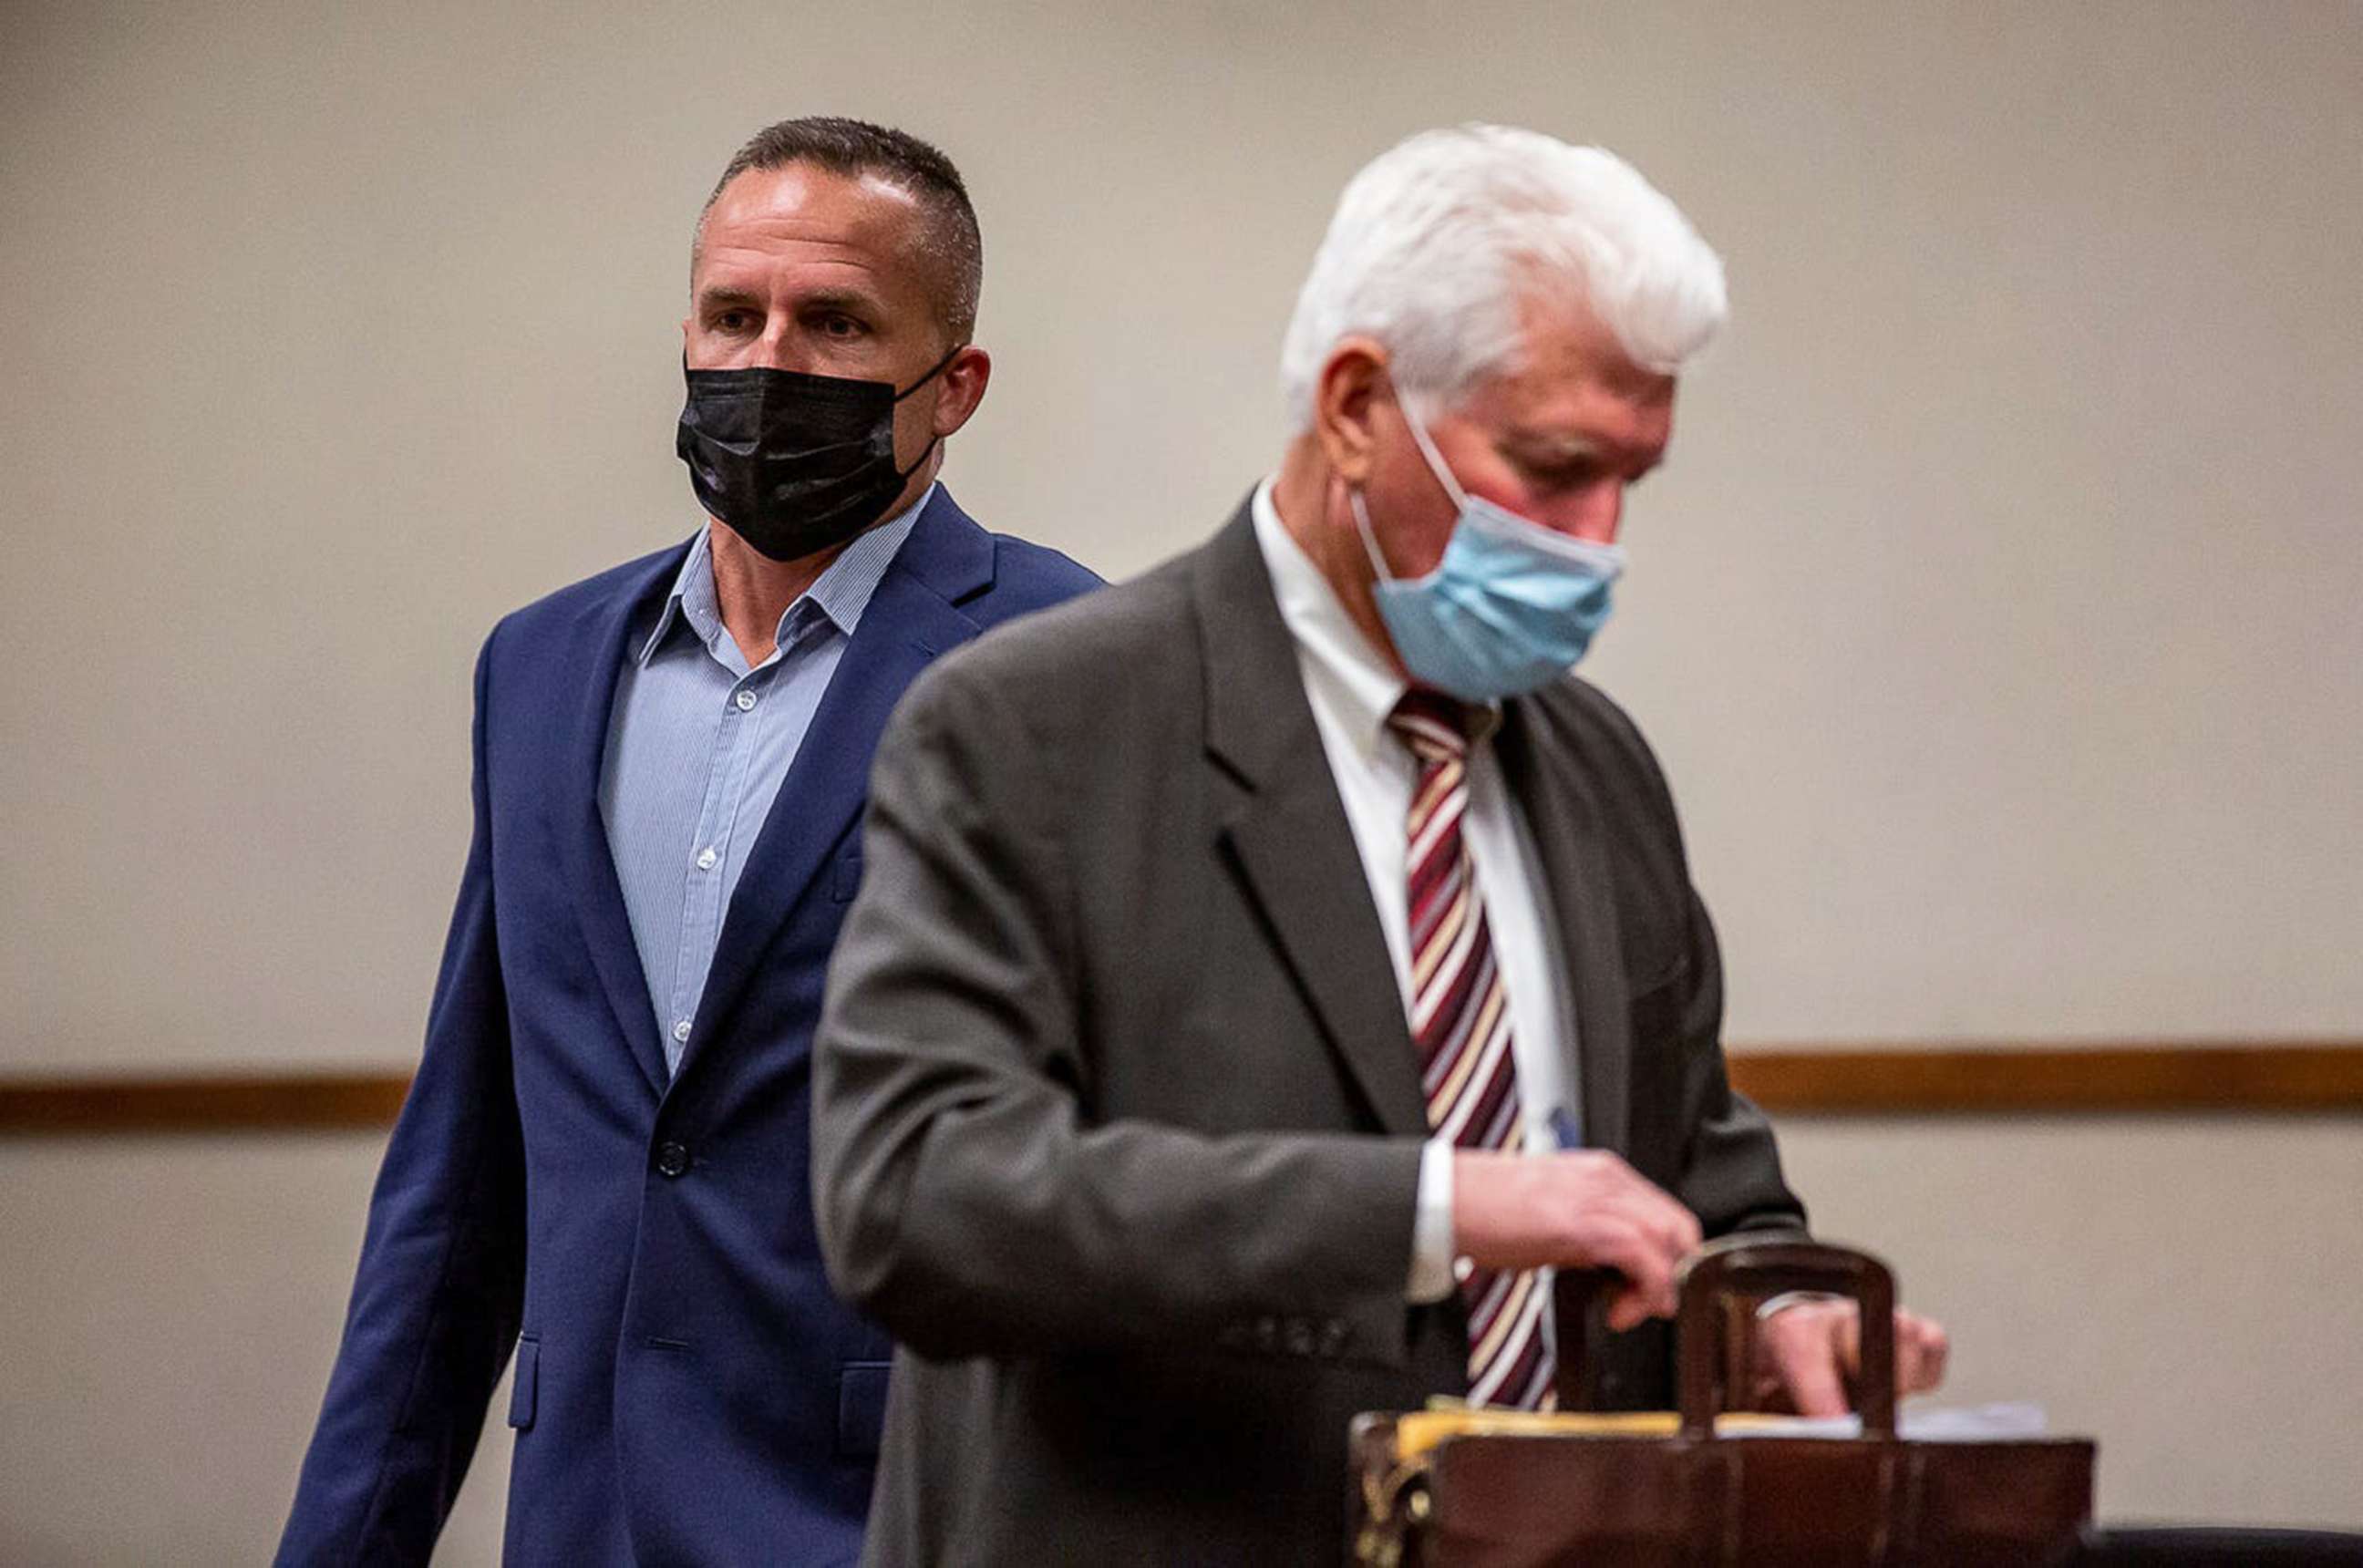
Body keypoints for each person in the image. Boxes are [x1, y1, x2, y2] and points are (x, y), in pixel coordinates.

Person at [811, 124, 1946, 1564]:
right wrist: (1432, 1205)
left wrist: (1774, 1318)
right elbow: (919, 1198)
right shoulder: (1034, 728)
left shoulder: (1596, 772)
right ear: (1356, 403)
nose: (1599, 541)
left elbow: (1701, 1182)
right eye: (1553, 467)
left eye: (1630, 484)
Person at [276, 117, 1099, 1564]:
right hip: (582, 1517)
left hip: (887, 1517)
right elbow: (462, 1183)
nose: (768, 363)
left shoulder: (1069, 665)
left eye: (836, 323)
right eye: (735, 314)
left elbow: (1114, 1160)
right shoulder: (538, 669)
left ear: (954, 384)